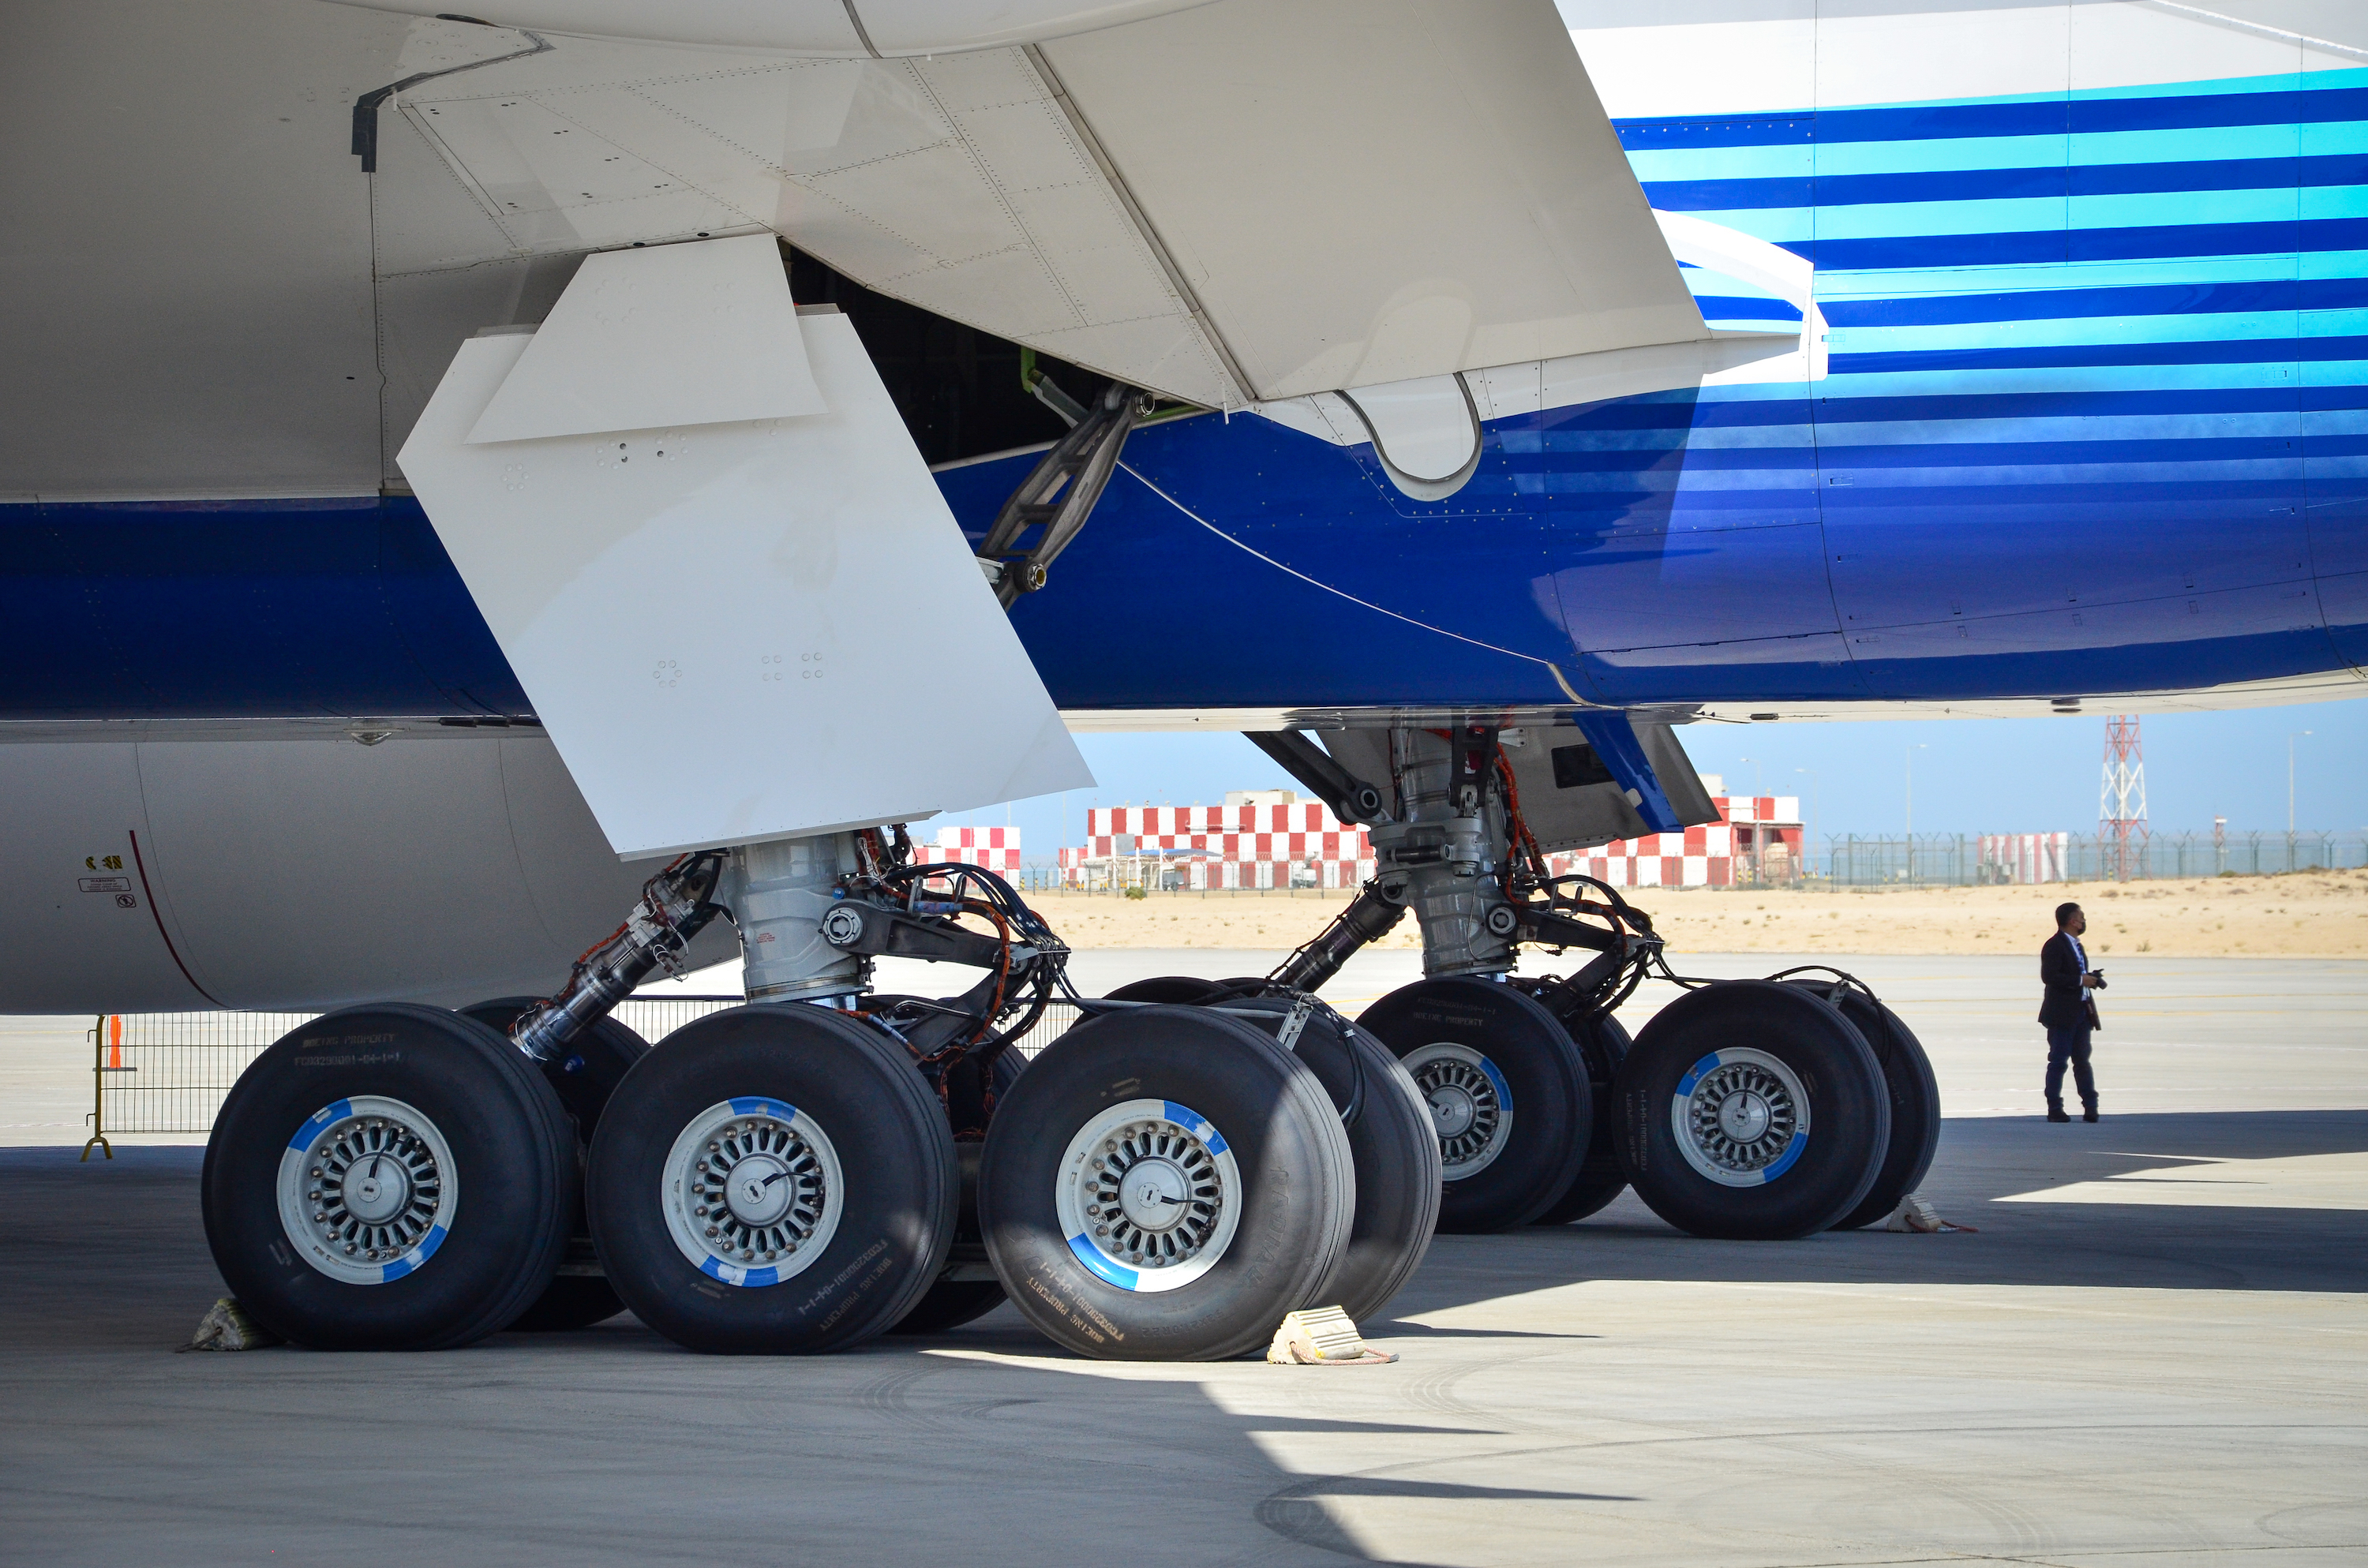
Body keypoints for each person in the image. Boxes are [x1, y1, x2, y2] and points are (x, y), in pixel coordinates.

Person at [2038, 900, 2105, 1122]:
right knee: (2058, 1061)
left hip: (2081, 1013)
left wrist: (2089, 979)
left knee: (2082, 1062)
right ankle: (2054, 1108)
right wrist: (2080, 980)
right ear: (2072, 921)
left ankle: (2091, 1107)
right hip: (2062, 1015)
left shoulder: (2077, 945)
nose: (2084, 920)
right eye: (2081, 917)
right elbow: (2050, 976)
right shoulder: (2054, 945)